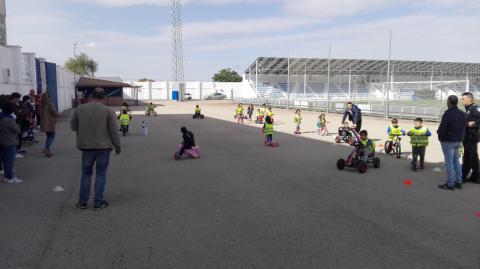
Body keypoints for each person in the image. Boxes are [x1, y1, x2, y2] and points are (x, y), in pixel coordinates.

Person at [70, 88, 121, 210]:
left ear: (92, 96)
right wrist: (117, 146)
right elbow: (114, 131)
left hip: (86, 147)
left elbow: (73, 127)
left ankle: (82, 202)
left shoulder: (80, 109)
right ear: (103, 98)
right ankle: (98, 201)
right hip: (103, 147)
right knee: (101, 174)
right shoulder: (108, 111)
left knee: (86, 174)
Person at [437, 95, 466, 190]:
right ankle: (459, 181)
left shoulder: (448, 114)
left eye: (447, 101)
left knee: (449, 162)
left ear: (449, 102)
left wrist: (440, 137)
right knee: (456, 161)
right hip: (458, 140)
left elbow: (442, 129)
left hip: (448, 141)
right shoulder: (462, 113)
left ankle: (450, 183)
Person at [0, 102, 22, 183]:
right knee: (9, 160)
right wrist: (16, 123)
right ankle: (9, 177)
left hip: (2, 140)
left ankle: (7, 175)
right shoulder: (8, 119)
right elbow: (17, 130)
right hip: (9, 141)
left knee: (5, 159)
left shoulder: (1, 116)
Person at [461, 92, 480, 184]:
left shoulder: (475, 108)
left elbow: (477, 122)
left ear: (470, 99)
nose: (461, 100)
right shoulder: (468, 109)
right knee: (474, 157)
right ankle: (476, 177)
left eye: (463, 99)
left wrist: (471, 124)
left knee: (468, 157)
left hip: (471, 137)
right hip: (469, 136)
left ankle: (462, 177)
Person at [40, 92, 58, 158]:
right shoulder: (50, 104)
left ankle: (47, 150)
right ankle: (46, 148)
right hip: (50, 122)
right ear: (49, 97)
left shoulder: (41, 104)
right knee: (52, 136)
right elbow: (54, 112)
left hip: (44, 122)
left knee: (48, 136)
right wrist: (58, 115)